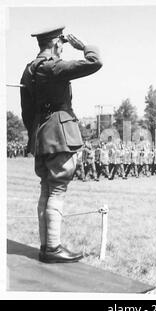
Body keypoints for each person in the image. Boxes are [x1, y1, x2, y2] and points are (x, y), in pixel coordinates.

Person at [20, 26, 102, 263]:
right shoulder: (54, 66)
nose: (63, 48)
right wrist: (84, 46)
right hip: (60, 135)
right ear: (56, 44)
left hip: (42, 136)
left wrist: (35, 135)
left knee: (46, 189)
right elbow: (95, 62)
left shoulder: (29, 70)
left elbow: (27, 111)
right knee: (57, 190)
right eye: (62, 44)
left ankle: (47, 246)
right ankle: (53, 248)